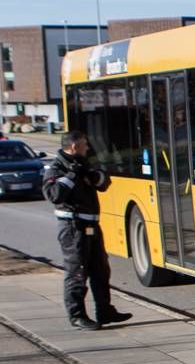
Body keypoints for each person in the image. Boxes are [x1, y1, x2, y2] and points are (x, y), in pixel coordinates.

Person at [44, 130, 131, 331]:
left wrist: (93, 175)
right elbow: (54, 194)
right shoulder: (56, 168)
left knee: (100, 270)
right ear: (74, 146)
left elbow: (104, 183)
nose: (87, 147)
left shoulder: (84, 163)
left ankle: (105, 311)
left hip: (92, 226)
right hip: (73, 228)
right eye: (84, 144)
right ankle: (77, 315)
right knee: (77, 272)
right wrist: (72, 176)